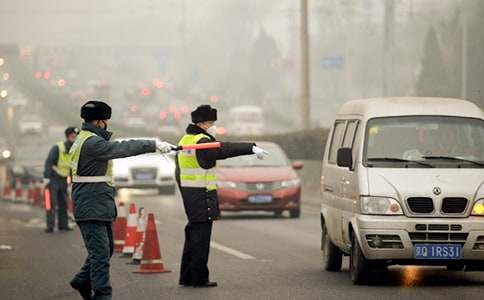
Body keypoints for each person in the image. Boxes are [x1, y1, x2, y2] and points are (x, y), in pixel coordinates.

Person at [69, 100, 172, 300]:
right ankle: (102, 295)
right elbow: (122, 148)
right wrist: (152, 144)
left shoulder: (84, 138)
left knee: (105, 250)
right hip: (92, 205)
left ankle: (82, 280)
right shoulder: (93, 143)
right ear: (100, 122)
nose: (106, 124)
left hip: (96, 203)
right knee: (100, 256)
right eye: (105, 120)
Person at [176, 105, 268, 288]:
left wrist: (185, 192)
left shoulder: (186, 139)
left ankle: (187, 276)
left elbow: (178, 172)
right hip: (202, 196)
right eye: (211, 123)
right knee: (200, 239)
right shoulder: (202, 141)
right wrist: (251, 148)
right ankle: (199, 279)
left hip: (190, 194)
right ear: (202, 123)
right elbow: (224, 150)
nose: (213, 126)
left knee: (192, 236)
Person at [43, 126, 79, 232]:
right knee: (51, 203)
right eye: (72, 136)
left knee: (63, 203)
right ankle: (50, 226)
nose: (74, 138)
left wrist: (73, 181)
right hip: (53, 179)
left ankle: (63, 225)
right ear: (68, 136)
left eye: (76, 136)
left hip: (63, 180)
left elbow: (73, 167)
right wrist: (46, 177)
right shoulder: (58, 147)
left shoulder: (75, 150)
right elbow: (49, 162)